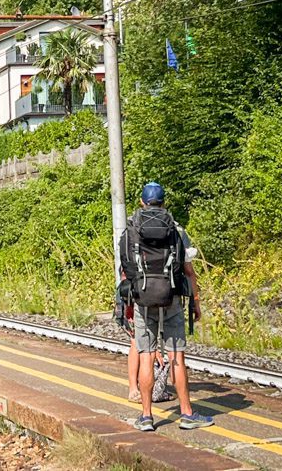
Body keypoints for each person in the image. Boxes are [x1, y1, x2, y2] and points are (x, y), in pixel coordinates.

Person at [119, 182, 213, 432]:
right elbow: (189, 272)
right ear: (163, 202)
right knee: (176, 356)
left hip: (142, 300)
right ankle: (186, 414)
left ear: (142, 202)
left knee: (146, 355)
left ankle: (147, 417)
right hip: (172, 299)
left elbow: (125, 272)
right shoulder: (176, 230)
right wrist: (196, 302)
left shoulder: (130, 231)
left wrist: (126, 305)